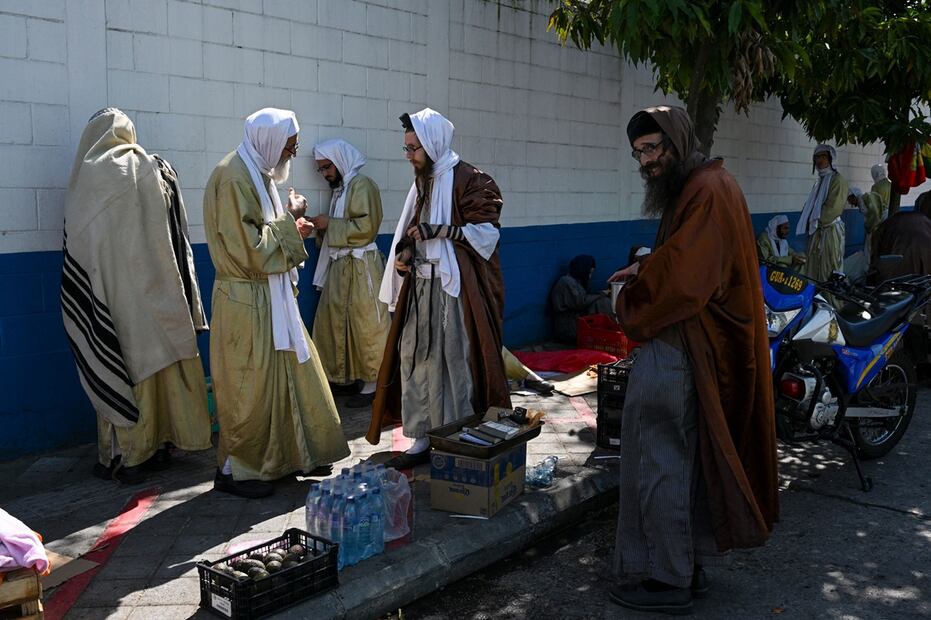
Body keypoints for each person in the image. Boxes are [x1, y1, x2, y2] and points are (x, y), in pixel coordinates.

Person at [606, 106, 778, 615]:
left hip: (681, 348)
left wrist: (627, 302)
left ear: (678, 142)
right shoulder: (706, 185)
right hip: (697, 349)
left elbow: (684, 281)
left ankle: (666, 577)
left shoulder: (705, 190)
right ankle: (689, 566)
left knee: (659, 458)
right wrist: (644, 265)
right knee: (686, 463)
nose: (646, 161)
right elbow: (688, 257)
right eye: (639, 152)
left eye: (654, 148)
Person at [203, 108, 349, 498]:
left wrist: (288, 223)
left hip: (269, 296)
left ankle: (289, 455)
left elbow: (263, 233)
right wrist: (293, 221)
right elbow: (250, 249)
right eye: (289, 146)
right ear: (269, 142)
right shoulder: (234, 177)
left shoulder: (256, 171)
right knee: (248, 388)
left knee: (287, 375)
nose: (293, 153)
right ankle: (238, 470)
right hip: (246, 300)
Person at [62, 108, 211, 484]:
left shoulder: (82, 180)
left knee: (116, 362)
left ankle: (123, 453)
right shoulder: (147, 167)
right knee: (157, 367)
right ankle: (158, 446)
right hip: (154, 287)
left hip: (108, 296)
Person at [367, 108, 511, 466]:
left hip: (454, 290)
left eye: (413, 148)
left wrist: (443, 231)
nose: (409, 156)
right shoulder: (423, 180)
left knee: (453, 360)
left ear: (432, 145)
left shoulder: (472, 180)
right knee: (415, 356)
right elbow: (413, 228)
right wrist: (404, 253)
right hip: (421, 285)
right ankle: (419, 437)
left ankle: (456, 434)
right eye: (406, 148)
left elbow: (487, 235)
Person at [308, 139, 390, 409]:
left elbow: (366, 227)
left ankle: (374, 385)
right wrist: (322, 227)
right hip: (342, 266)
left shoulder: (361, 185)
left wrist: (329, 224)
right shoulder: (342, 189)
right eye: (321, 170)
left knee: (367, 326)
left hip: (361, 266)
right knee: (336, 323)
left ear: (340, 161)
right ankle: (345, 378)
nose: (325, 174)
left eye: (326, 168)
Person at [798, 144, 848, 282]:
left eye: (823, 157)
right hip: (817, 232)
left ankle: (830, 301)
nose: (819, 160)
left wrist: (814, 221)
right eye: (817, 157)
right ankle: (815, 300)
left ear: (831, 159)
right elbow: (812, 205)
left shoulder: (837, 180)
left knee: (828, 269)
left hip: (829, 232)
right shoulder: (820, 181)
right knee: (813, 268)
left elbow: (833, 208)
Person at [549, 254, 612, 344]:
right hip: (568, 328)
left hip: (575, 322)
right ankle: (610, 331)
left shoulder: (577, 282)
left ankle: (610, 330)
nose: (590, 277)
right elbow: (580, 302)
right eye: (589, 273)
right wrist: (601, 294)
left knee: (603, 301)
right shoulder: (566, 282)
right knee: (601, 302)